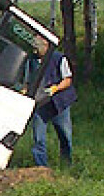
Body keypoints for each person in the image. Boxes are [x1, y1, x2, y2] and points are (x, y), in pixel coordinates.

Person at [31, 36, 77, 167]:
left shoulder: (59, 59)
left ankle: (66, 164)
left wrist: (55, 88)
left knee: (65, 136)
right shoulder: (31, 61)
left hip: (59, 103)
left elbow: (67, 80)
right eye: (33, 48)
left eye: (37, 48)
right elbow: (28, 80)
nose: (34, 51)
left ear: (46, 46)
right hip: (40, 104)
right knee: (38, 138)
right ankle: (41, 168)